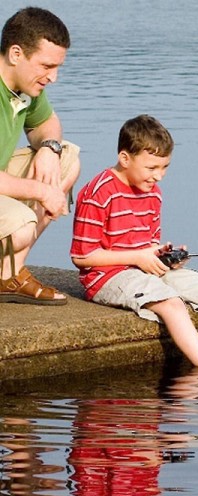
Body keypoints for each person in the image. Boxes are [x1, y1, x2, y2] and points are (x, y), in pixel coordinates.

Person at [70, 114, 198, 371]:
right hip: (107, 277)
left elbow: (147, 243)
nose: (159, 176)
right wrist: (137, 257)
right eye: (152, 168)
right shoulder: (98, 193)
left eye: (165, 167)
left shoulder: (152, 191)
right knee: (172, 304)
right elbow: (82, 257)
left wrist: (164, 255)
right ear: (125, 158)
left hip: (145, 268)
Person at [0, 7, 80, 305]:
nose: (53, 77)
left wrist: (49, 148)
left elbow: (48, 124)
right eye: (47, 66)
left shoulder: (24, 86)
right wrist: (42, 191)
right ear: (16, 53)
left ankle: (9, 272)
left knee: (67, 158)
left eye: (57, 67)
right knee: (22, 225)